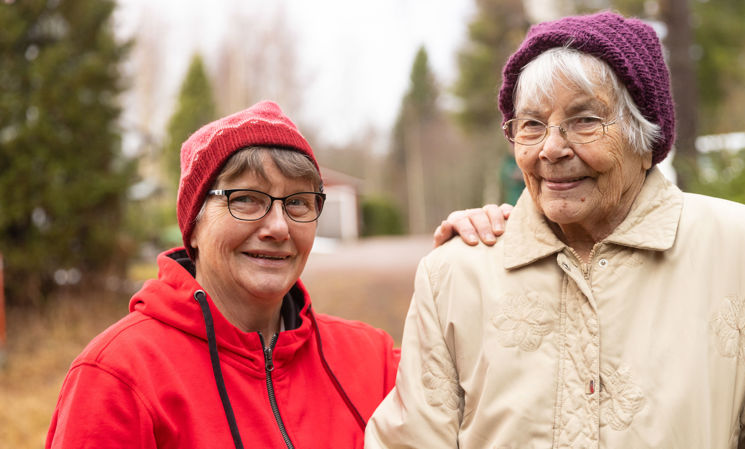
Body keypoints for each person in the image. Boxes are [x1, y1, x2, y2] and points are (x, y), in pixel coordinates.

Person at [365, 11, 745, 449]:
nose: (551, 149)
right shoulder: (454, 274)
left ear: (646, 139)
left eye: (585, 120)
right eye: (531, 125)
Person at [45, 100, 508, 449]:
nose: (278, 227)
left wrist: (495, 257)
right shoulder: (119, 375)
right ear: (194, 225)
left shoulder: (369, 359)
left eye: (299, 203)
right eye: (246, 198)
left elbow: (497, 400)